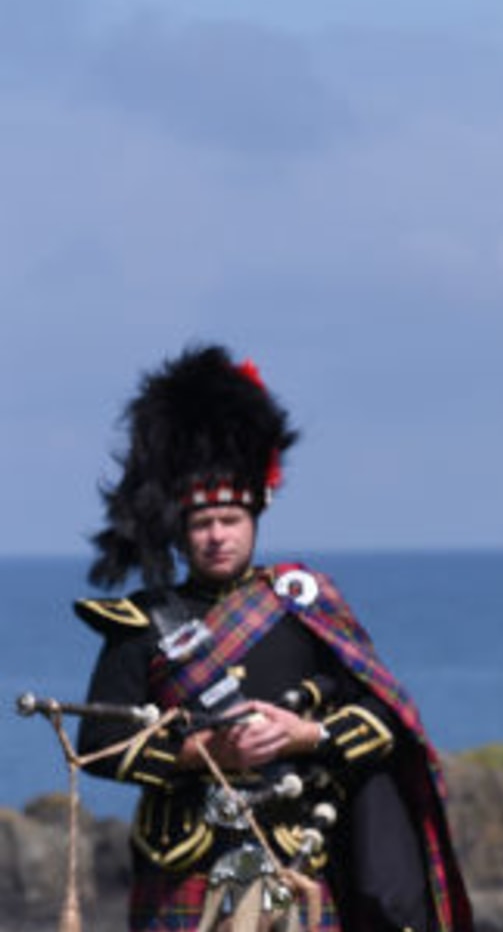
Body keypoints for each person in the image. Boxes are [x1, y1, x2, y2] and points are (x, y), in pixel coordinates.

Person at [74, 344, 472, 932]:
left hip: (296, 861)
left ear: (257, 516)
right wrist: (200, 754)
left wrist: (306, 735)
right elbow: (101, 745)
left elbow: (386, 720)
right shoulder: (142, 620)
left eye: (229, 521)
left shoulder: (301, 605)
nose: (216, 537)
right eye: (201, 525)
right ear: (179, 535)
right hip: (184, 865)